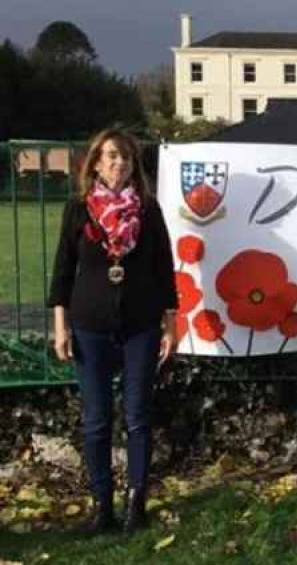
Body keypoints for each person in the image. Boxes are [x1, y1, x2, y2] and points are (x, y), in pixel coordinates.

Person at [49, 129, 179, 534]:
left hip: (141, 325)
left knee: (138, 417)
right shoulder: (78, 210)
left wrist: (170, 326)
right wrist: (60, 325)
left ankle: (136, 503)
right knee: (96, 420)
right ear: (95, 164)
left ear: (133, 165)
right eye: (110, 156)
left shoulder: (149, 210)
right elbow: (62, 270)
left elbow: (163, 270)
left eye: (124, 157)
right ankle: (102, 505)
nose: (118, 163)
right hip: (89, 327)